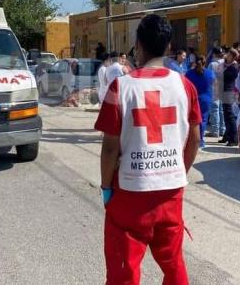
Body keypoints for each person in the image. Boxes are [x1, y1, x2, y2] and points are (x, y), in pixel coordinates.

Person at [95, 14, 201, 285]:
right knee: (174, 264)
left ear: (137, 44)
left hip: (130, 192)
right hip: (171, 192)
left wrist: (106, 188)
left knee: (123, 270)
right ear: (168, 48)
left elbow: (109, 149)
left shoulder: (121, 87)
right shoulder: (185, 86)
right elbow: (194, 140)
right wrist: (178, 172)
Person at [185, 56, 216, 147]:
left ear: (195, 62)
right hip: (206, 99)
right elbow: (215, 84)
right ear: (204, 62)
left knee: (191, 119)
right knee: (203, 120)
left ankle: (191, 140)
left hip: (193, 99)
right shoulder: (210, 73)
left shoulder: (189, 73)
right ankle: (200, 141)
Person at [219, 49, 239, 147]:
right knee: (226, 114)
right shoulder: (226, 65)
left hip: (228, 91)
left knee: (229, 115)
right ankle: (227, 136)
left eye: (229, 55)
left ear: (233, 57)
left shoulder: (234, 67)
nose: (226, 56)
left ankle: (234, 138)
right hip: (224, 91)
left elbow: (224, 76)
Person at [207, 47, 225, 138]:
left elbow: (208, 77)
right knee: (222, 110)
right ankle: (223, 130)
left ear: (214, 54)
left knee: (214, 110)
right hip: (224, 88)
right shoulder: (225, 62)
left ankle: (215, 131)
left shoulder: (212, 64)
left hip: (214, 88)